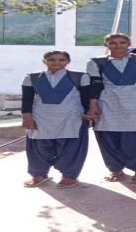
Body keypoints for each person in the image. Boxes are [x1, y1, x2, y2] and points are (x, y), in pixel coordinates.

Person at [86, 33, 136, 184]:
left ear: (128, 44)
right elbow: (94, 85)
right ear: (106, 45)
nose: (118, 46)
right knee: (108, 136)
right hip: (108, 103)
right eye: (113, 43)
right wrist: (93, 106)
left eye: (122, 42)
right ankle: (115, 169)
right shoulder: (96, 62)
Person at [21, 50, 91, 188]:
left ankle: (69, 175)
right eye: (51, 59)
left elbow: (87, 98)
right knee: (39, 147)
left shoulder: (80, 77)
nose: (56, 62)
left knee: (71, 147)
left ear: (68, 62)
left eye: (61, 60)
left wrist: (89, 113)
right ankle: (39, 174)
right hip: (40, 117)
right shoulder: (32, 78)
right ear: (44, 61)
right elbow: (27, 100)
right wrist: (26, 117)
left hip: (71, 117)